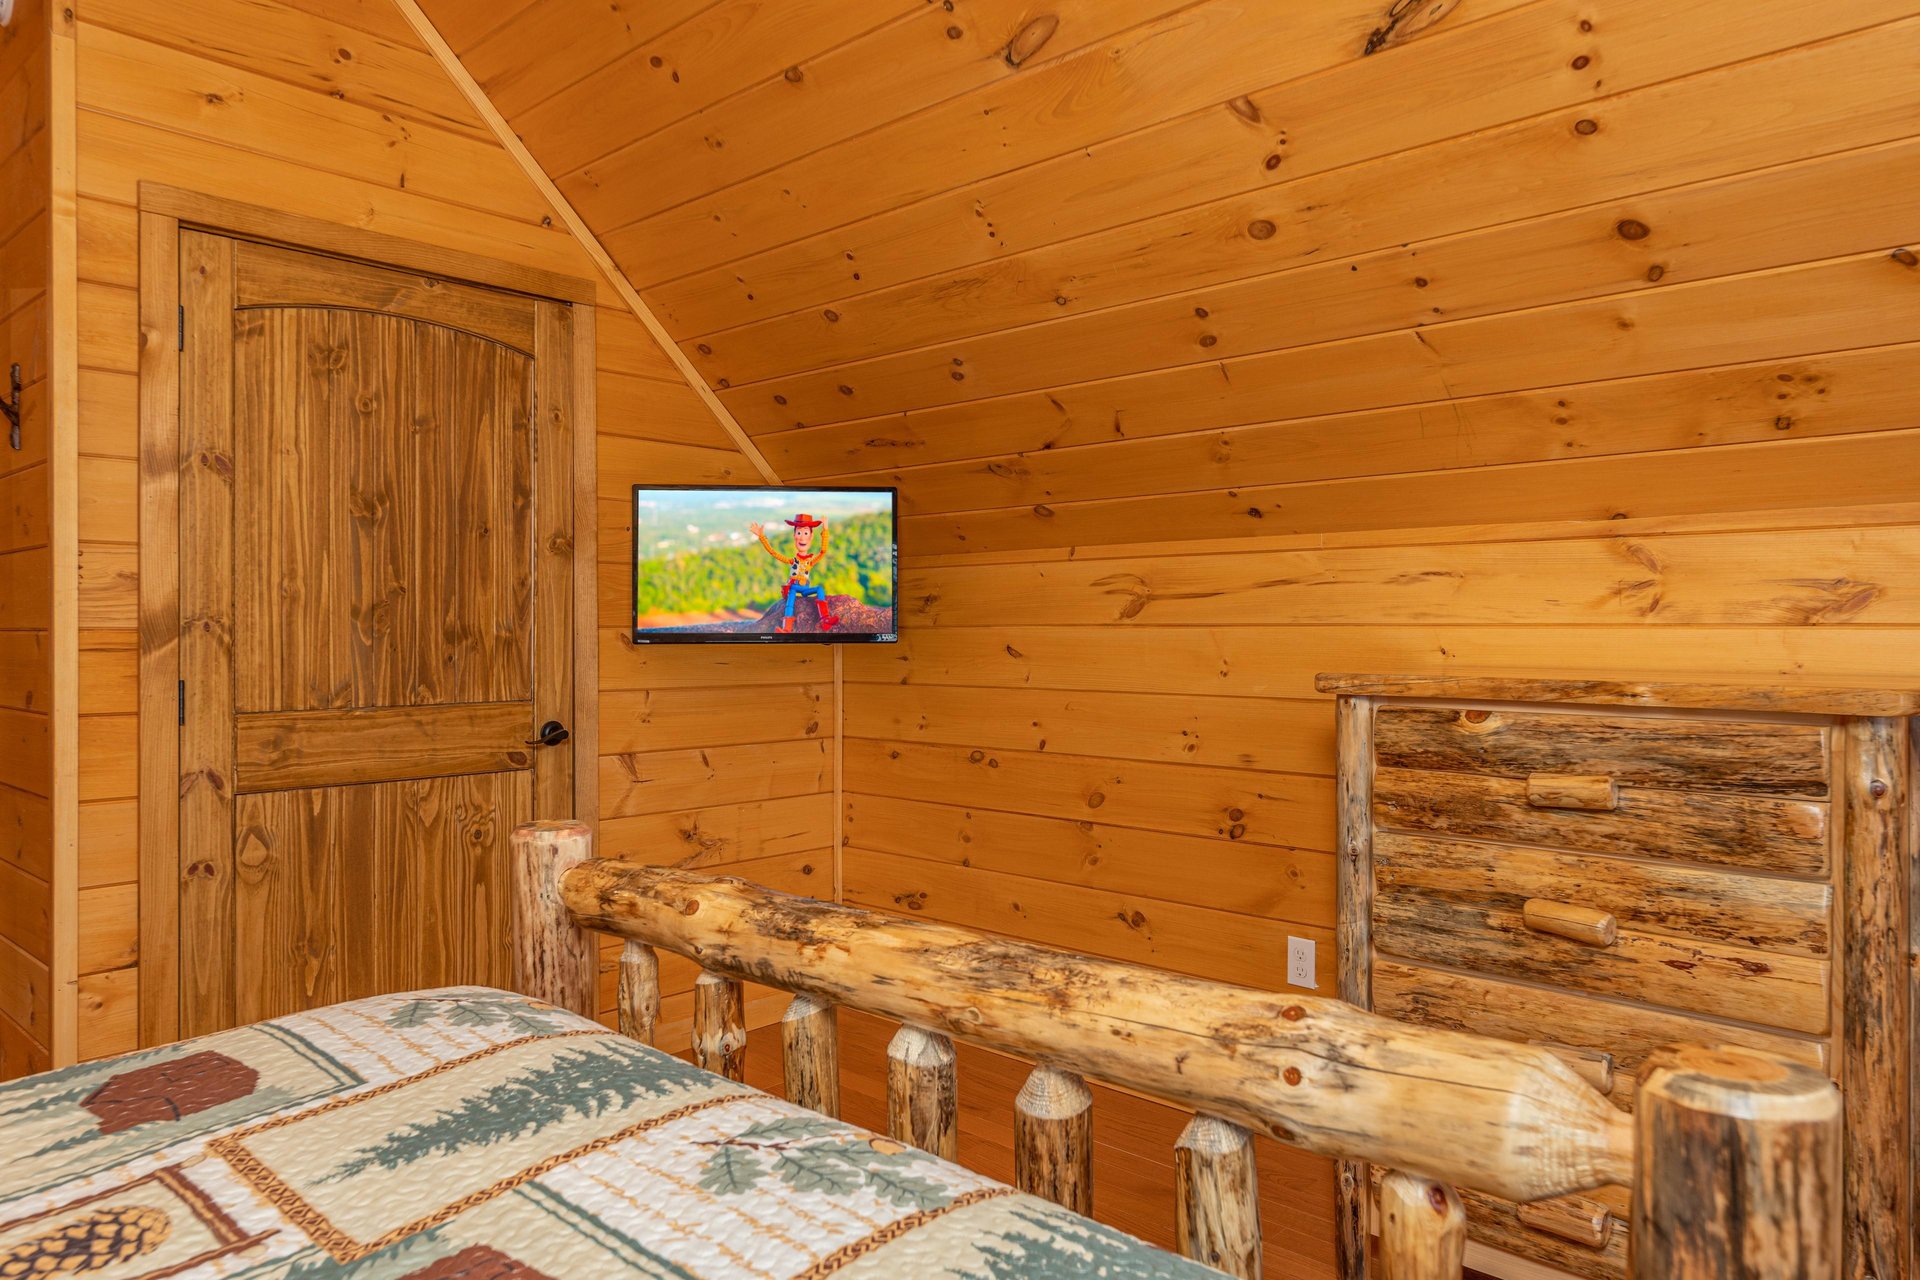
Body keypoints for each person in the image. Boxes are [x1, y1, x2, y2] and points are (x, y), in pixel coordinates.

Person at [749, 513, 836, 632]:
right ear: (794, 535)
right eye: (799, 533)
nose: (802, 537)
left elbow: (823, 551)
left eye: (806, 533)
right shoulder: (793, 561)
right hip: (794, 587)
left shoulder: (810, 561)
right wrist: (761, 537)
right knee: (791, 597)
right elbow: (774, 553)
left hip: (805, 588)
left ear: (811, 536)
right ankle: (787, 628)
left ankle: (825, 619)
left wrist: (825, 529)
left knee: (820, 589)